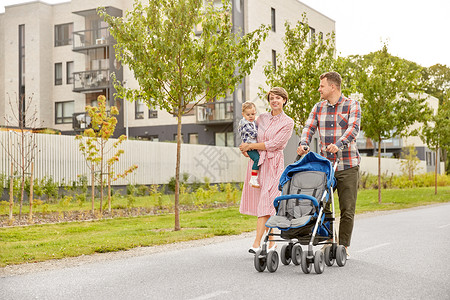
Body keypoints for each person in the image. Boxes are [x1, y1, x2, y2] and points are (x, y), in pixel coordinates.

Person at [296, 71, 361, 259]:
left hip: (348, 164)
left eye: (322, 86)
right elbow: (308, 127)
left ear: (333, 86)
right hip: (326, 166)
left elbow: (353, 128)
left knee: (347, 208)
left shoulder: (352, 105)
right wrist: (303, 143)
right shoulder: (318, 107)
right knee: (321, 204)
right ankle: (329, 241)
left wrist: (339, 143)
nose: (319, 89)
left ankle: (343, 246)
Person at [239, 87, 294, 254]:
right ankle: (271, 244)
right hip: (259, 164)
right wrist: (245, 148)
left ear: (284, 100)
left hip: (274, 163)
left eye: (278, 98)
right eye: (272, 98)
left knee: (267, 200)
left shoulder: (288, 122)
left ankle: (256, 243)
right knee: (267, 204)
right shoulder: (260, 117)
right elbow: (250, 135)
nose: (274, 100)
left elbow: (275, 144)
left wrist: (251, 146)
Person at [238, 101, 260, 188]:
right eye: (248, 114)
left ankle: (254, 178)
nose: (251, 116)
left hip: (252, 146)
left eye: (252, 114)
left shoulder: (252, 123)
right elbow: (254, 134)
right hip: (249, 147)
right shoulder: (245, 124)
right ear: (243, 114)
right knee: (257, 159)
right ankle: (253, 178)